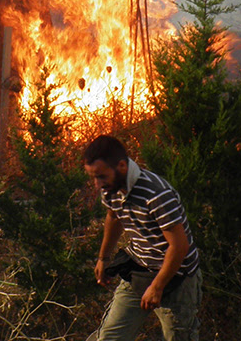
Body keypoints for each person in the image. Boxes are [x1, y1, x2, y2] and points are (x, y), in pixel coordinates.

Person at [84, 134, 202, 340]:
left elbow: (179, 247)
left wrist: (157, 286)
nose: (97, 184)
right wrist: (103, 258)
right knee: (109, 337)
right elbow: (114, 217)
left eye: (101, 176)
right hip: (139, 270)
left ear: (121, 166)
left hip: (177, 277)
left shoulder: (156, 194)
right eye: (93, 177)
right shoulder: (110, 189)